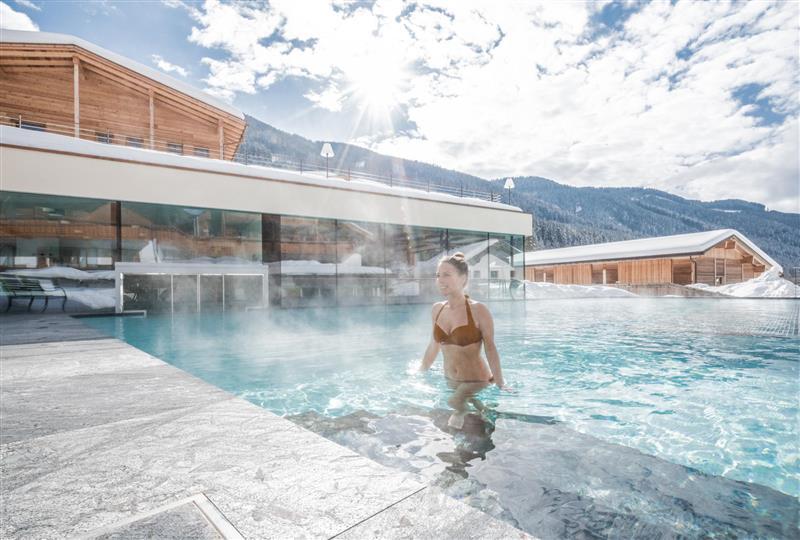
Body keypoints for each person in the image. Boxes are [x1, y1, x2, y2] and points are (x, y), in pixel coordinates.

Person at [419, 252, 507, 429]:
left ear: (463, 278)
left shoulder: (478, 310)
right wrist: (421, 370)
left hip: (476, 380)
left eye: (446, 274)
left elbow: (490, 348)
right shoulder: (437, 309)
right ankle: (484, 412)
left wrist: (500, 383)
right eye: (438, 275)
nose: (440, 280)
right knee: (480, 416)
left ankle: (464, 413)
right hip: (451, 381)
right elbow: (433, 345)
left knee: (454, 403)